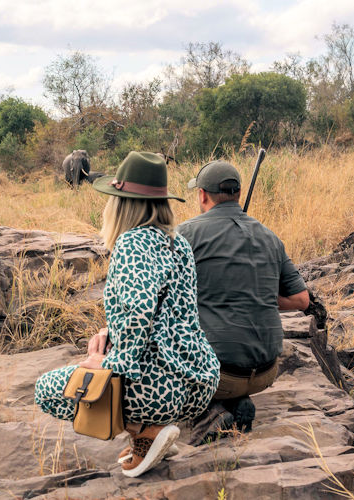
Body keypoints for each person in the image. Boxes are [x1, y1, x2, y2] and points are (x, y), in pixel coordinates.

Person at [34, 151, 220, 477]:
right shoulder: (178, 242)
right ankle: (151, 430)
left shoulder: (132, 243)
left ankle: (145, 431)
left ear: (122, 203)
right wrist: (111, 332)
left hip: (159, 387)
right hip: (198, 379)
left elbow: (139, 314)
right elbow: (166, 310)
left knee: (47, 390)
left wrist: (106, 364)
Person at [176, 160, 309, 443]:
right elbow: (301, 300)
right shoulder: (269, 236)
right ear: (237, 194)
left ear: (202, 194)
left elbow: (159, 298)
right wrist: (255, 293)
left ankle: (208, 411)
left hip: (218, 375)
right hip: (266, 372)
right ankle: (237, 403)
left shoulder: (186, 234)